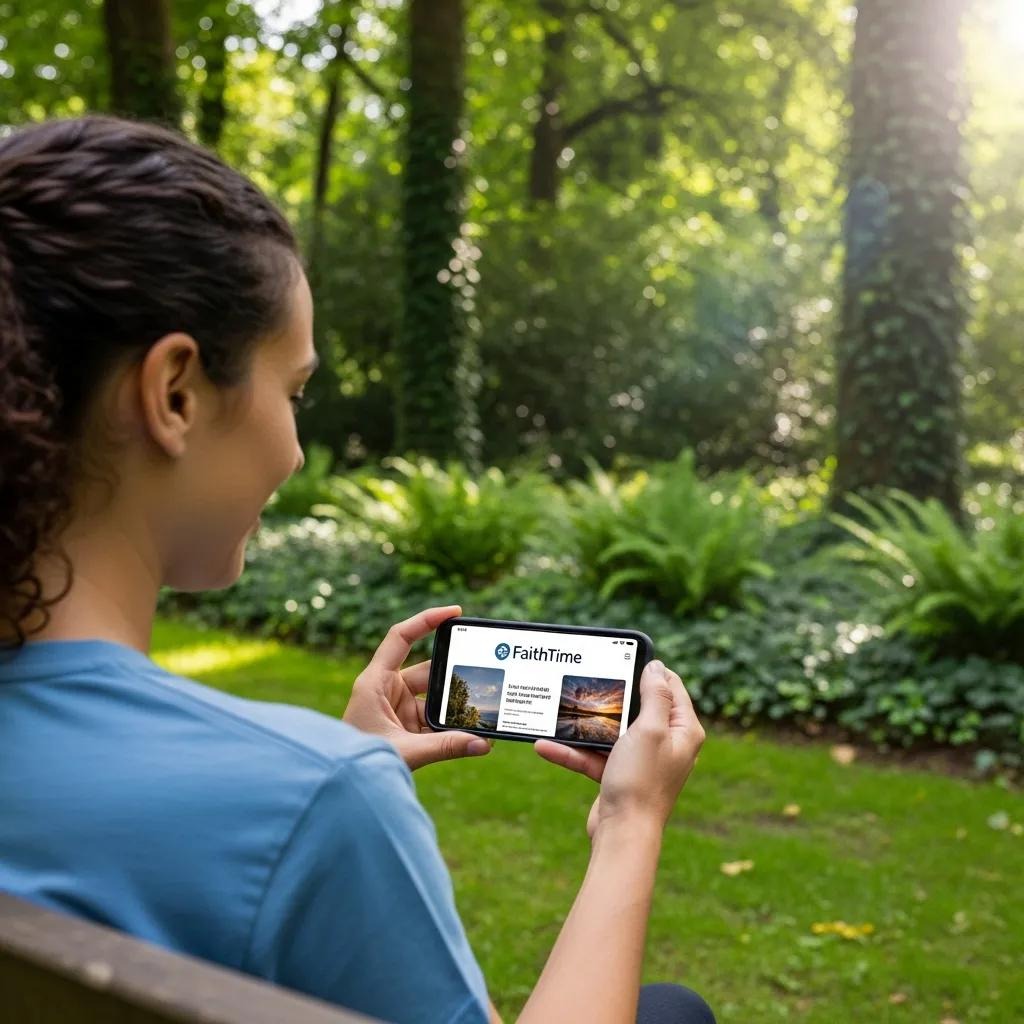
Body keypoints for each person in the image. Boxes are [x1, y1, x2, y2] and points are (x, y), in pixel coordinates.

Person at [0, 116, 713, 1024]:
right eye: (292, 391)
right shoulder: (318, 802)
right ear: (174, 394)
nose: (295, 450)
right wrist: (630, 823)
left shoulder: (309, 789)